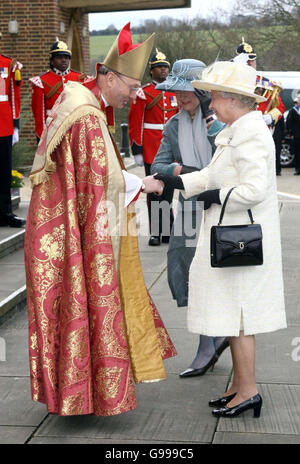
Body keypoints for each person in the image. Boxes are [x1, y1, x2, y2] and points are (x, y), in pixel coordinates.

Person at [24, 23, 176, 417]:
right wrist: (144, 183)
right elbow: (102, 182)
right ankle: (83, 396)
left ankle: (77, 395)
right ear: (108, 78)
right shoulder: (88, 117)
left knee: (73, 311)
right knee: (85, 303)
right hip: (73, 235)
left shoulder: (77, 101)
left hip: (58, 230)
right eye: (129, 87)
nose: (133, 95)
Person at [150, 61, 287, 418]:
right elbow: (211, 173)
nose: (210, 103)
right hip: (232, 236)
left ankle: (250, 391)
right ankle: (239, 388)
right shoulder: (237, 130)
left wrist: (213, 196)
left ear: (231, 99)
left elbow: (254, 189)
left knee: (241, 320)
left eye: (214, 96)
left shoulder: (251, 133)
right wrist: (176, 183)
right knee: (234, 317)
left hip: (242, 241)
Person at [151, 58, 229, 377]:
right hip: (188, 206)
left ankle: (211, 341)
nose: (181, 99)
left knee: (214, 274)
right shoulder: (173, 125)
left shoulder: (219, 123)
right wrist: (186, 171)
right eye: (177, 93)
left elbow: (224, 168)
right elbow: (159, 165)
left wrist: (185, 171)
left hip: (220, 207)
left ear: (202, 92)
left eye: (187, 93)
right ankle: (210, 338)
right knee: (182, 266)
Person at [128, 49, 178, 246]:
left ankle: (168, 231)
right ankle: (156, 232)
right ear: (152, 71)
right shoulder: (144, 93)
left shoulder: (175, 90)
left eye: (165, 67)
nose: (163, 70)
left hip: (171, 148)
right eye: (159, 68)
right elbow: (135, 122)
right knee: (154, 191)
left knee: (169, 191)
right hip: (151, 147)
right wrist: (137, 149)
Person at [233, 38, 285, 175]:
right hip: (237, 138)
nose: (250, 64)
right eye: (247, 61)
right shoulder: (230, 83)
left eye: (253, 61)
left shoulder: (267, 84)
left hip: (261, 138)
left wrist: (270, 117)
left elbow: (280, 108)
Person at [29, 39, 90, 142]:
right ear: (52, 61)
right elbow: (38, 112)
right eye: (59, 57)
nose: (63, 60)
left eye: (66, 57)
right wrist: (41, 135)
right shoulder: (41, 81)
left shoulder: (80, 78)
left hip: (76, 128)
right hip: (52, 130)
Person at [0, 38, 26, 228]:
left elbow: (13, 96)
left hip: (3, 125)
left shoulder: (8, 65)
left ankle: (5, 213)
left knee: (3, 172)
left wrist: (15, 124)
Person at [286, 93, 300, 175]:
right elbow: (289, 123)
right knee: (297, 153)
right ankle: (298, 169)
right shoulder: (293, 111)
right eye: (299, 100)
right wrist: (290, 133)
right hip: (297, 135)